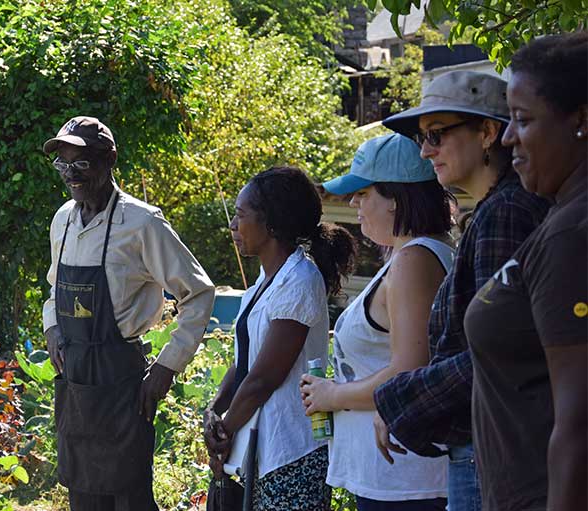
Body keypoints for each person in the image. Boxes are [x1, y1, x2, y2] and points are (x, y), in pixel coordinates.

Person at [370, 71, 549, 511]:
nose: (425, 150)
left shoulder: (504, 213)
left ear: (488, 133)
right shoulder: (495, 209)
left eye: (436, 134)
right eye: (420, 138)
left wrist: (397, 398)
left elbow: (493, 354)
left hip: (490, 452)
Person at [41, 116, 215, 510]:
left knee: (129, 497)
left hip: (122, 381)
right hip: (76, 379)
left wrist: (168, 366)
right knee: (83, 494)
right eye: (63, 164)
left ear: (110, 160)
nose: (72, 175)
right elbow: (54, 288)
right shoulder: (63, 220)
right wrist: (52, 327)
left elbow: (199, 292)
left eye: (82, 163)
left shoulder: (141, 223)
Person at [463, 32, 587, 511]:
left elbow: (579, 421)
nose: (509, 137)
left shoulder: (573, 236)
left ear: (581, 119)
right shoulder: (560, 216)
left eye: (523, 120)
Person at [300, 134, 454, 510]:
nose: (354, 203)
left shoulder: (414, 261)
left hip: (405, 480)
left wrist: (331, 394)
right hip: (396, 475)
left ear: (397, 200)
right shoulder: (415, 255)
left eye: (363, 193)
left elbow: (409, 371)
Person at [203, 167, 356, 510]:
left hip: (293, 455)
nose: (232, 226)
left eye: (240, 215)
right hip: (261, 451)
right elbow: (244, 362)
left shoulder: (300, 280)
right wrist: (213, 412)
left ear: (270, 223)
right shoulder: (263, 283)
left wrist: (223, 433)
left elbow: (263, 379)